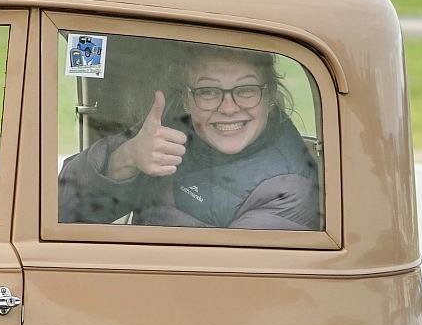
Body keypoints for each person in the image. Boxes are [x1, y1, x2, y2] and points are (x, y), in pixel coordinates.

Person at [58, 44, 318, 230]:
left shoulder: (289, 187)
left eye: (246, 90)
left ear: (270, 97)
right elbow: (59, 211)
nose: (228, 108)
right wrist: (126, 158)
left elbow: (222, 283)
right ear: (186, 100)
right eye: (208, 92)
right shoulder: (167, 131)